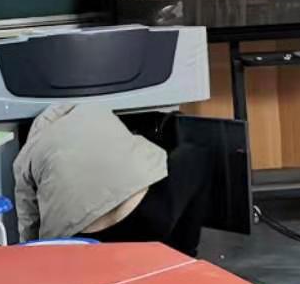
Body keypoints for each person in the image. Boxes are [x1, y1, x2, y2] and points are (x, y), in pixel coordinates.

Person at [12, 101, 209, 255]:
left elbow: (29, 224)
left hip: (84, 244)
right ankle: (185, 256)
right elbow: (139, 152)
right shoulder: (95, 111)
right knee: (196, 155)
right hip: (146, 217)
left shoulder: (26, 156)